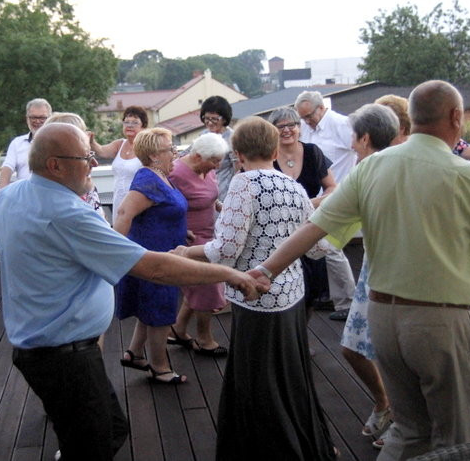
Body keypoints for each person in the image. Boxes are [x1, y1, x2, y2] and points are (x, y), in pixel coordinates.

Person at [0, 123, 266, 461]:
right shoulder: (70, 215)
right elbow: (153, 267)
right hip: (65, 358)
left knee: (106, 431)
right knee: (95, 444)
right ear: (56, 165)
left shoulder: (12, 197)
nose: (92, 164)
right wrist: (229, 274)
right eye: (84, 158)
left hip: (43, 352)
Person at [259, 80, 470, 460]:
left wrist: (266, 270)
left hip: (383, 320)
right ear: (456, 117)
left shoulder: (370, 167)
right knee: (458, 440)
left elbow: (314, 227)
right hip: (438, 325)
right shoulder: (466, 176)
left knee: (408, 430)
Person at [174, 117, 337, 460]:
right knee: (291, 375)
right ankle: (305, 442)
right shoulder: (293, 186)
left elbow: (226, 249)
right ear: (276, 149)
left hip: (256, 298)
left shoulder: (243, 184)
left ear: (237, 153)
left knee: (257, 381)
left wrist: (186, 252)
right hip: (292, 297)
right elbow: (316, 248)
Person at [335, 105, 400, 447]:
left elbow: (328, 217)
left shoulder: (381, 168)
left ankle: (402, 420)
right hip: (372, 271)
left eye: (354, 137)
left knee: (392, 353)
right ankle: (386, 404)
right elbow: (336, 211)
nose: (351, 144)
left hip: (395, 272)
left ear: (365, 137)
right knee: (354, 348)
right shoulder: (365, 168)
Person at [114, 128, 190, 383]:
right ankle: (160, 366)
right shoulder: (148, 179)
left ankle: (134, 353)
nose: (175, 152)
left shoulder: (161, 177)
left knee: (151, 308)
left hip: (165, 249)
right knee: (161, 311)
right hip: (154, 258)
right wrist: (113, 254)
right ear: (155, 155)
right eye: (170, 148)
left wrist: (182, 231)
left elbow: (164, 211)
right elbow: (124, 214)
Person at [295, 91, 357, 321]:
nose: (307, 121)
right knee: (322, 247)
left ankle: (348, 301)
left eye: (309, 116)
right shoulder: (307, 128)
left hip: (341, 195)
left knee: (329, 247)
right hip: (320, 198)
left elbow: (361, 150)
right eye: (303, 118)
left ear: (321, 108)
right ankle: (333, 296)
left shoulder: (342, 124)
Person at [166, 132, 229, 355]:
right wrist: (179, 230)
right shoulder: (175, 173)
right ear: (197, 156)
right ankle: (204, 338)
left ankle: (178, 329)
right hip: (189, 237)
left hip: (211, 233)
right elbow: (163, 205)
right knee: (207, 285)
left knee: (197, 285)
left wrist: (223, 206)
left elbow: (210, 197)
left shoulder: (208, 169)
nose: (218, 165)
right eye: (214, 160)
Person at [270, 107, 336, 317]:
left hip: (309, 228)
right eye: (281, 126)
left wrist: (307, 204)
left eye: (292, 125)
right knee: (279, 285)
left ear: (299, 128)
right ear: (273, 130)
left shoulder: (312, 151)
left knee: (312, 289)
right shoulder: (266, 155)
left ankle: (302, 339)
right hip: (277, 230)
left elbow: (332, 188)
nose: (287, 130)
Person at [90, 105, 147, 219]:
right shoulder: (119, 144)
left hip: (138, 202)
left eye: (134, 122)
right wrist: (91, 140)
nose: (129, 126)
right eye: (126, 122)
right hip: (118, 201)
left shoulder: (147, 147)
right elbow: (101, 151)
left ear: (143, 126)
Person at [45, 112, 105, 218]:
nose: (94, 164)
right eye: (82, 134)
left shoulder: (85, 184)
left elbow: (100, 215)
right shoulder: (63, 194)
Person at [0, 98, 52, 188]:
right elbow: (7, 167)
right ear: (27, 118)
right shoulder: (17, 143)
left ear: (50, 118)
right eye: (33, 117)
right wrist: (2, 193)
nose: (37, 121)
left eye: (42, 118)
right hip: (25, 196)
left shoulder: (58, 142)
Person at [199, 95, 239, 201]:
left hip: (225, 192)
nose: (210, 122)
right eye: (206, 118)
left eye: (214, 119)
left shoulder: (233, 138)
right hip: (204, 190)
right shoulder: (203, 135)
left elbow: (238, 168)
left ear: (224, 119)